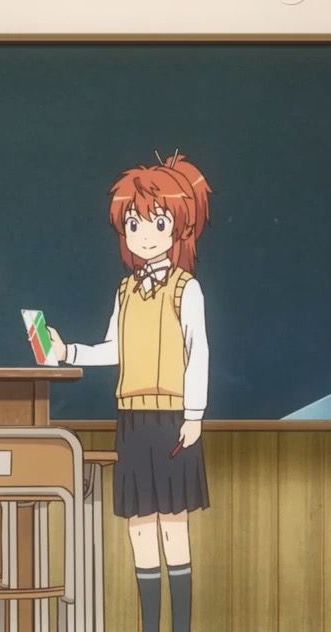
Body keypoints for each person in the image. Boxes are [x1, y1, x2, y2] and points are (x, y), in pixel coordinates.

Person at [47, 151, 213, 632]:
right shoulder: (124, 291)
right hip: (132, 419)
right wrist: (67, 352)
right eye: (134, 224)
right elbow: (113, 349)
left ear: (179, 227)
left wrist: (195, 414)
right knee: (140, 526)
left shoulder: (186, 289)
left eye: (157, 222)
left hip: (173, 418)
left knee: (173, 526)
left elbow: (198, 351)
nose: (144, 234)